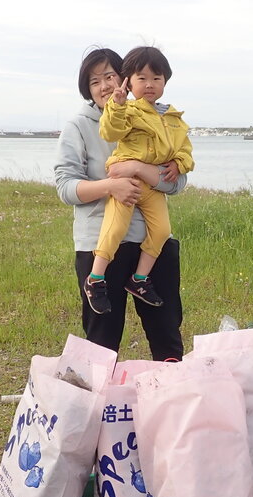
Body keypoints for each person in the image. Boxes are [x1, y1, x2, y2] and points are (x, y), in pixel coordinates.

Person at [54, 47, 187, 361]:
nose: (103, 86)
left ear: (125, 79)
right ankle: (100, 406)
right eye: (94, 81)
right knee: (102, 340)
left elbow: (177, 183)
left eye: (109, 76)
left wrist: (141, 170)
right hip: (98, 242)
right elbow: (65, 187)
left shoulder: (160, 117)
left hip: (150, 245)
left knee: (167, 333)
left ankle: (171, 401)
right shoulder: (79, 126)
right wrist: (110, 186)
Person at [85, 46, 194, 314]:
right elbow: (110, 132)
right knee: (115, 227)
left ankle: (139, 279)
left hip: (154, 185)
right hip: (127, 180)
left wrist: (179, 163)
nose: (149, 84)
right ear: (129, 81)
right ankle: (95, 278)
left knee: (161, 231)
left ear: (165, 82)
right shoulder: (128, 109)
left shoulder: (173, 118)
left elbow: (185, 151)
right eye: (142, 78)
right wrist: (118, 105)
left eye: (157, 79)